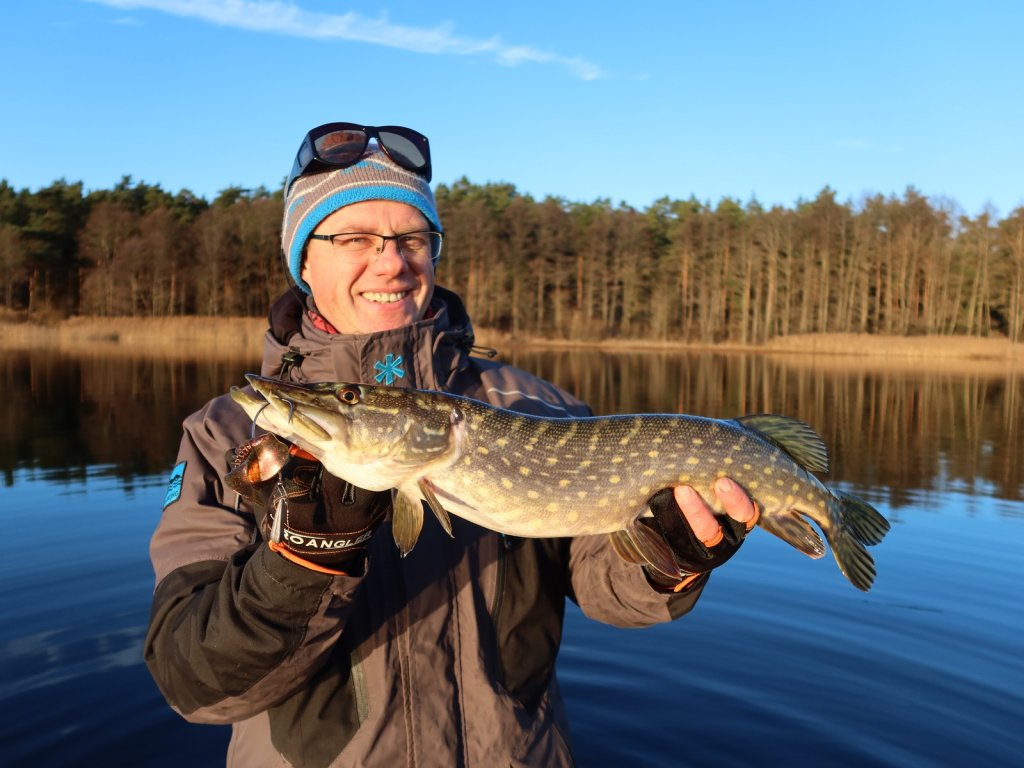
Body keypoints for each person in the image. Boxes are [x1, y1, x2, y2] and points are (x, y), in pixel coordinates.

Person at [144, 122, 759, 768]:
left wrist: (672, 559)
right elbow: (194, 682)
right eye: (355, 238)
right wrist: (300, 564)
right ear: (303, 259)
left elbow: (605, 583)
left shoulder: (536, 408)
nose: (391, 261)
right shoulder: (221, 439)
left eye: (412, 238)